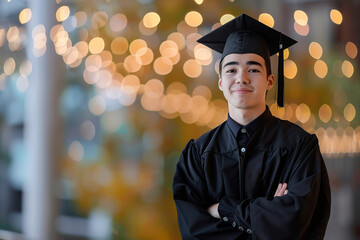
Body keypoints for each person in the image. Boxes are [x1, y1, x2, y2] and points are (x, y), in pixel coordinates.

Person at [172, 14, 331, 239]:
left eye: (254, 69)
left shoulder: (300, 148)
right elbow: (194, 232)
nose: (242, 78)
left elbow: (295, 223)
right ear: (220, 82)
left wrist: (222, 209)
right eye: (231, 70)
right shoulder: (197, 155)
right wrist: (267, 217)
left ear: (270, 81)